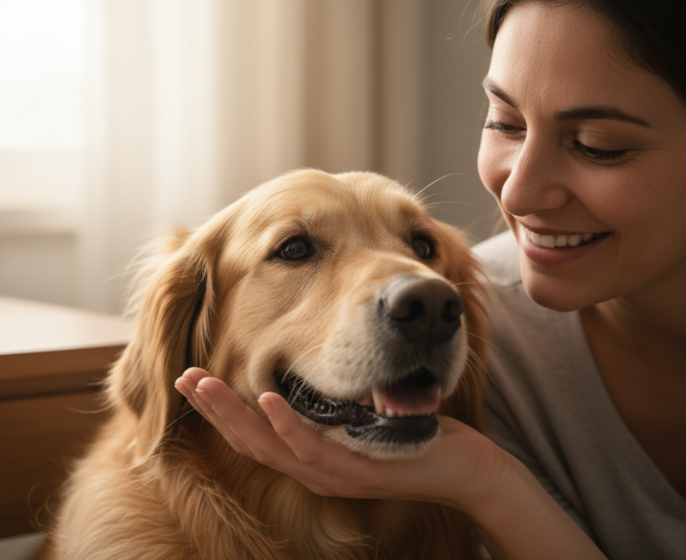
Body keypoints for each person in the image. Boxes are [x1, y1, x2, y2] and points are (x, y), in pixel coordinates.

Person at [174, 0, 686, 557]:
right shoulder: (479, 317)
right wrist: (486, 482)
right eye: (504, 122)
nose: (515, 196)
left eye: (597, 145)